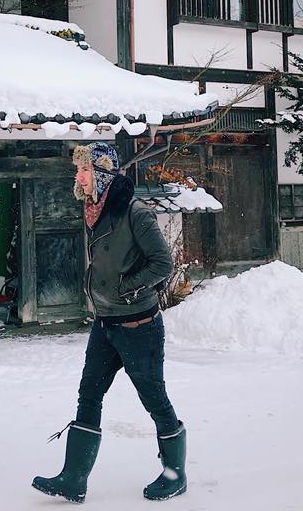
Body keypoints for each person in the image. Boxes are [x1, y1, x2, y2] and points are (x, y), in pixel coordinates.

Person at [32, 142, 186, 503]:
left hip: (138, 326)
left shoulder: (134, 212)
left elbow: (162, 263)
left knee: (154, 399)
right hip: (105, 323)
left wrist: (125, 289)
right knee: (89, 393)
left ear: (101, 174)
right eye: (78, 171)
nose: (78, 176)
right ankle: (73, 478)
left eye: (84, 170)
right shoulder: (93, 210)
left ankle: (174, 474)